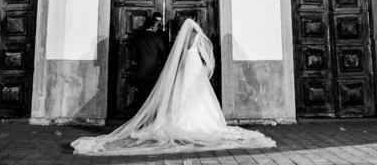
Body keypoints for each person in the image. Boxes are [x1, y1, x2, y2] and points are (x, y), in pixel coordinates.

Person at [72, 18, 276, 156]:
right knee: (198, 97)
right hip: (195, 71)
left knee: (181, 94)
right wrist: (207, 69)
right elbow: (208, 57)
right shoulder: (198, 38)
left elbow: (174, 58)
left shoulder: (181, 40)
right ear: (195, 27)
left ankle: (175, 121)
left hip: (183, 70)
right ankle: (195, 122)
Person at [131, 13, 169, 111]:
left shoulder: (138, 37)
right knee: (154, 98)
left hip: (141, 72)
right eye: (156, 25)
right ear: (152, 26)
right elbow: (165, 55)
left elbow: (134, 55)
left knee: (142, 98)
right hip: (154, 72)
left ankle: (141, 121)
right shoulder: (157, 38)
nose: (157, 28)